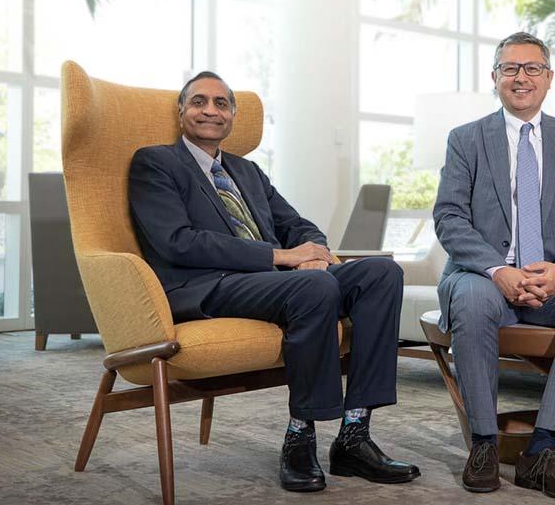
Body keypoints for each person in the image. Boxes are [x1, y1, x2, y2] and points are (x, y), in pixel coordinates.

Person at [128, 71, 419, 493]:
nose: (210, 110)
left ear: (231, 115)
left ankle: (354, 436)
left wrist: (318, 253)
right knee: (314, 288)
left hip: (273, 281)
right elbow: (178, 243)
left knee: (382, 273)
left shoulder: (247, 172)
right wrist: (281, 257)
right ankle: (300, 435)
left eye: (221, 103)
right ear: (181, 111)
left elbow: (296, 223)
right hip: (208, 285)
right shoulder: (155, 162)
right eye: (198, 101)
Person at [433, 32, 555, 501]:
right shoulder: (467, 139)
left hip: (553, 280)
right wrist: (499, 269)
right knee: (472, 301)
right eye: (510, 68)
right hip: (486, 277)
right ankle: (483, 445)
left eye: (532, 68)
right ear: (494, 77)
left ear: (549, 78)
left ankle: (543, 450)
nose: (521, 77)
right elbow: (449, 216)